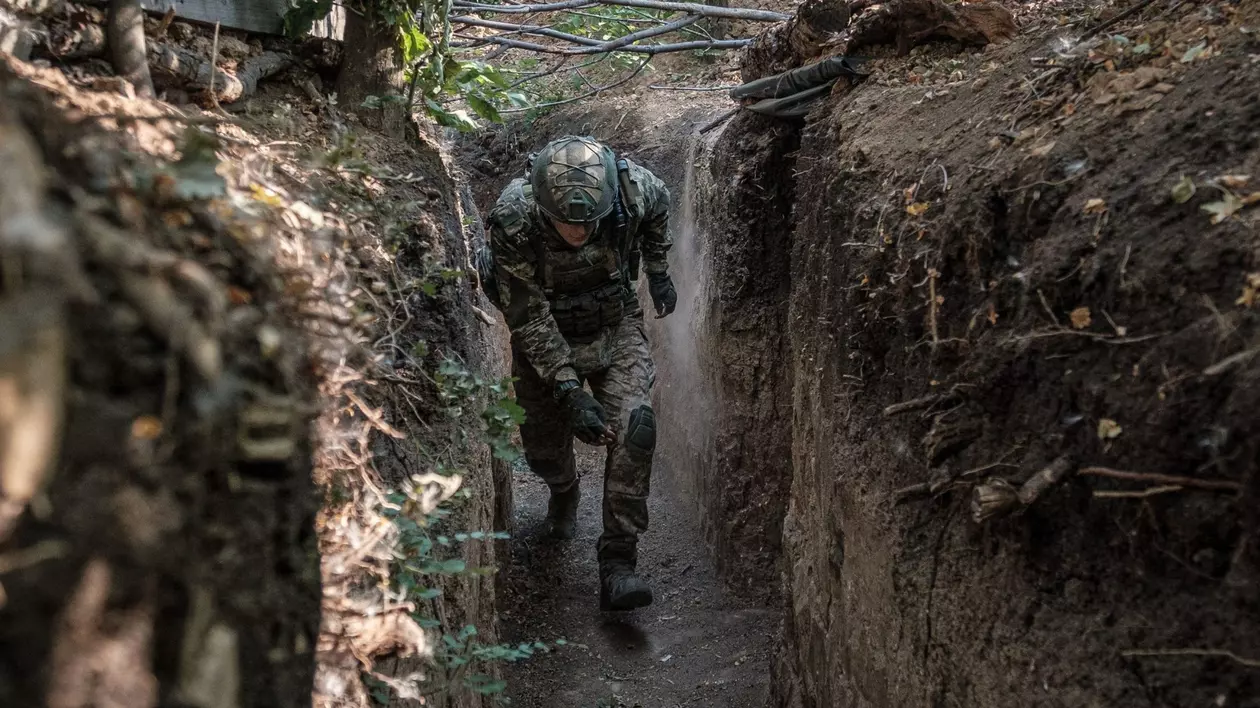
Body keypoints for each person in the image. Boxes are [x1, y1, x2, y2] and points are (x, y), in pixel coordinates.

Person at [476, 135, 676, 611]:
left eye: (588, 223)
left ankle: (619, 563)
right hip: (547, 333)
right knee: (542, 449)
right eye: (567, 224)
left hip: (615, 323)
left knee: (636, 428)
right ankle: (563, 489)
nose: (579, 231)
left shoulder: (631, 189)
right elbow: (526, 313)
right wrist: (568, 390)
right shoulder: (514, 218)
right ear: (545, 209)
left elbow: (660, 207)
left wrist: (659, 269)